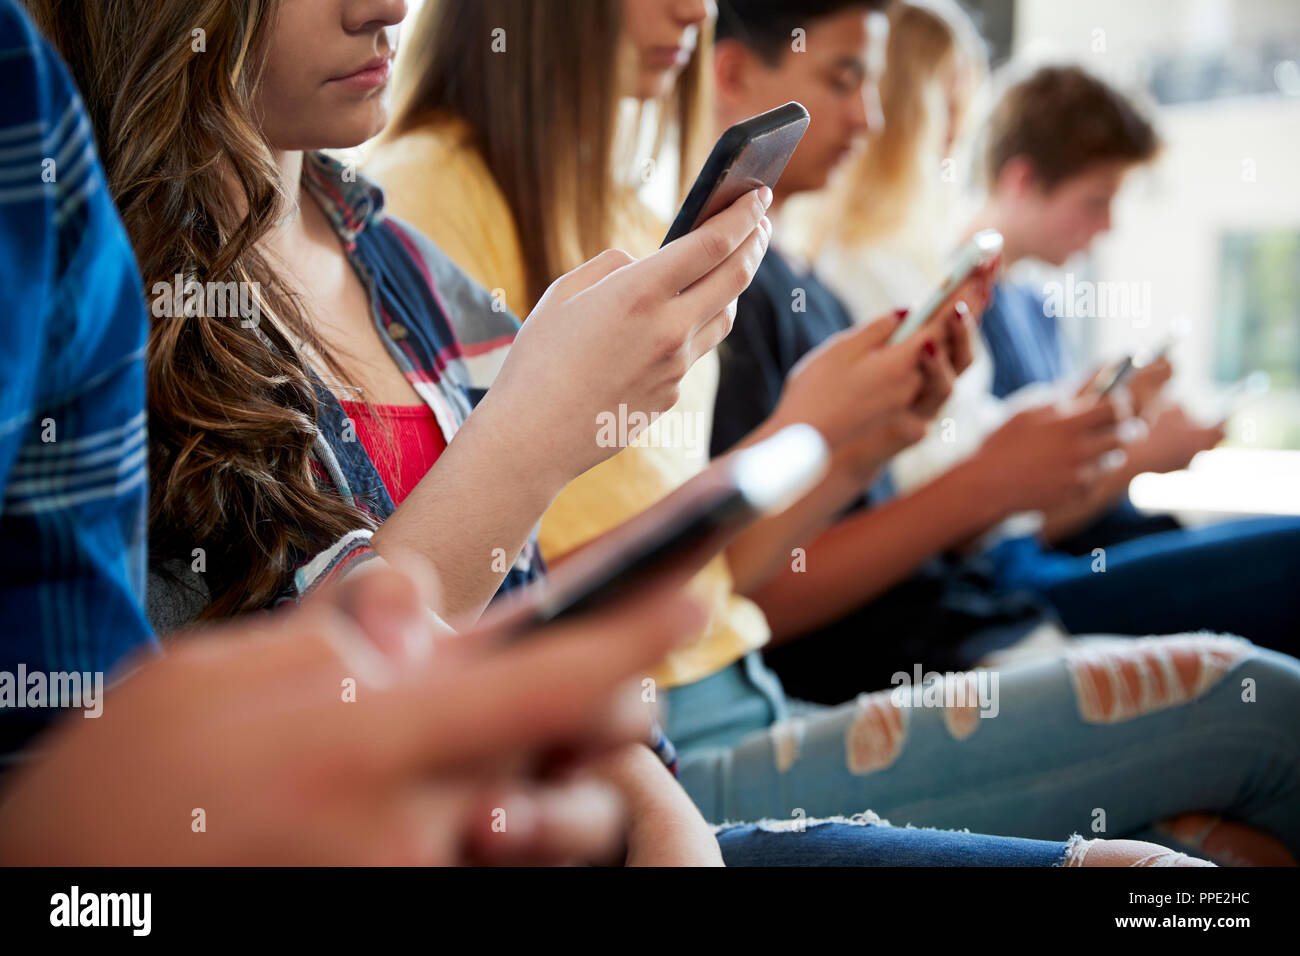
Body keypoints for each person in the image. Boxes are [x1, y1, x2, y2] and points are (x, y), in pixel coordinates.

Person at [368, 0, 1270, 866]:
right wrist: (817, 437)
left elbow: (729, 570)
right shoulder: (424, 209)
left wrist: (856, 443)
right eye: (845, 79)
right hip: (662, 740)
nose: (694, 8)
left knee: (1215, 829)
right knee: (1238, 708)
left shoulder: (626, 216)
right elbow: (504, 608)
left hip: (737, 700)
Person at [0, 0, 700, 866]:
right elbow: (255, 768)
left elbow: (534, 655)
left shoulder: (413, 272)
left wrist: (674, 825)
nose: (387, 7)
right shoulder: (129, 313)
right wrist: (529, 444)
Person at [697, 0, 1300, 865]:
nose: (870, 117)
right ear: (731, 74)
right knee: (1242, 738)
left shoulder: (805, 290)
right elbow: (752, 582)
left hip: (956, 620)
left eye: (876, 88)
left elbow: (804, 529)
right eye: (846, 80)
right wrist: (994, 477)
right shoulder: (748, 294)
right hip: (904, 647)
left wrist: (920, 449)